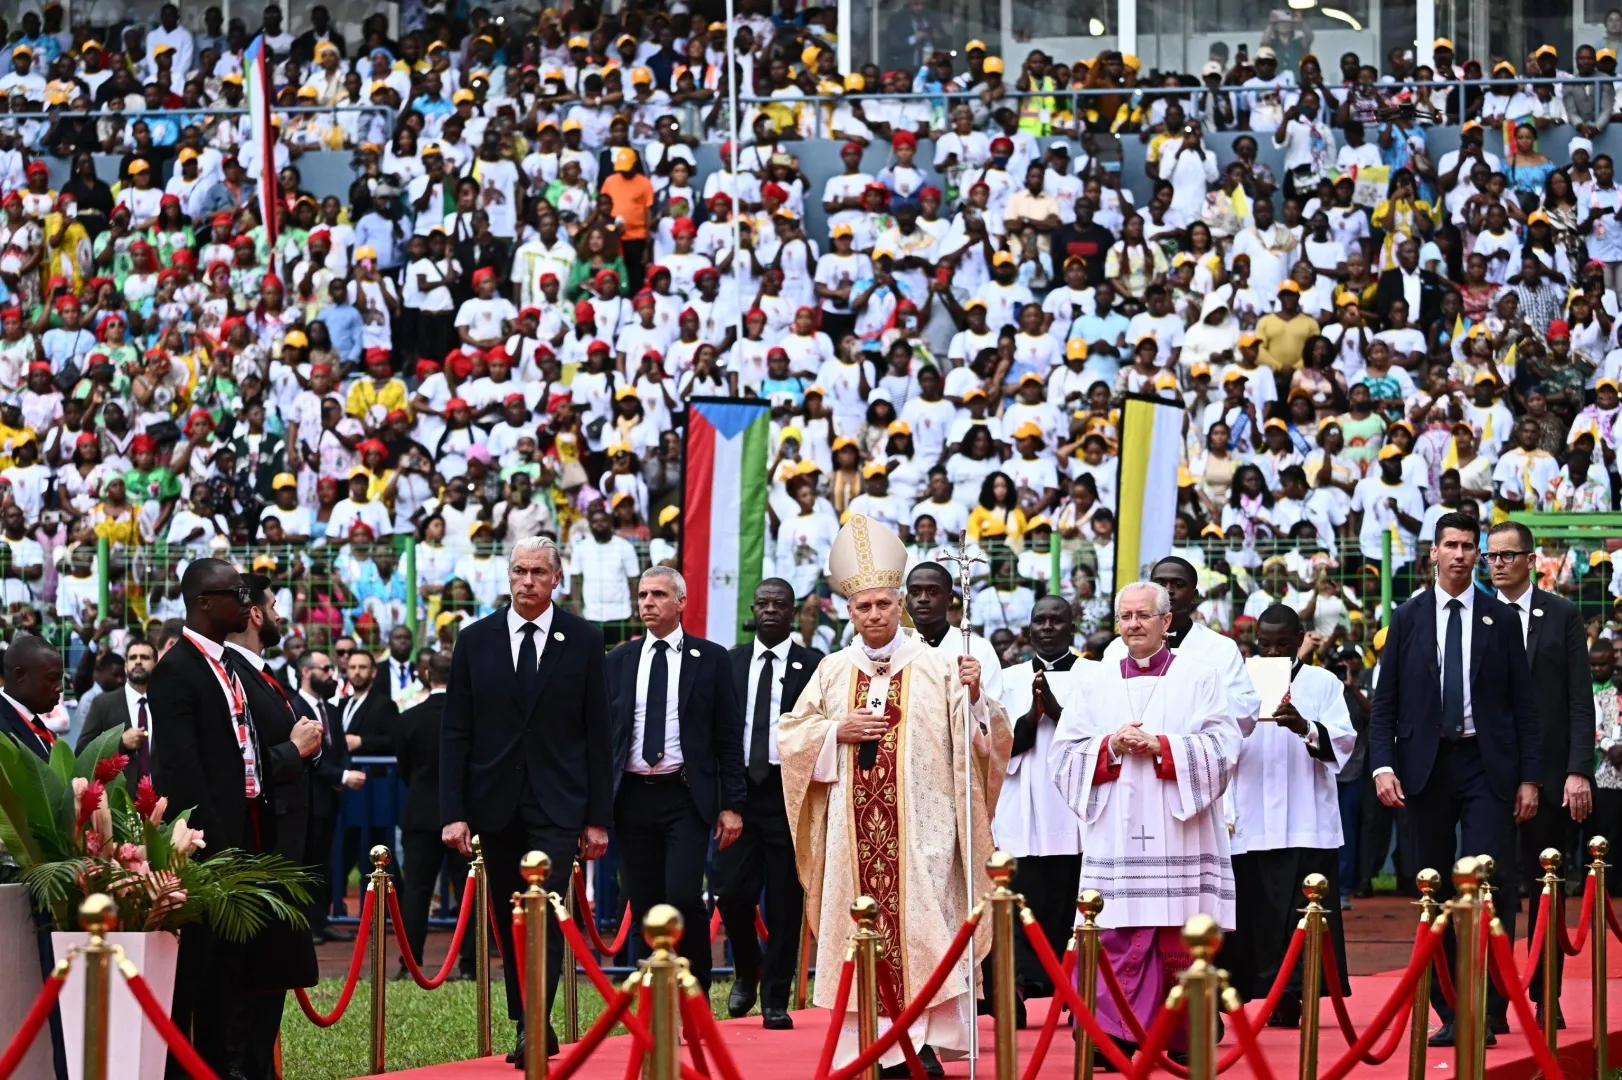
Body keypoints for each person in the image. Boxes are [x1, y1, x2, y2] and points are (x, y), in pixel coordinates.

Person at [779, 515, 1011, 1078]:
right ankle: (875, 1050)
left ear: (900, 602)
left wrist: (977, 697)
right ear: (849, 612)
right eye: (864, 608)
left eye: (883, 604)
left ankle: (923, 1045)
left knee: (924, 931)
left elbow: (986, 743)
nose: (874, 614)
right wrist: (836, 731)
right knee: (864, 930)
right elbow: (789, 735)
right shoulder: (833, 671)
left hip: (925, 835)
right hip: (850, 837)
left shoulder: (941, 667)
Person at [1049, 579, 1243, 1059]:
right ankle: (1107, 1035)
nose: (1133, 624)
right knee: (1111, 928)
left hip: (1179, 827)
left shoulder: (1199, 677)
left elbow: (1225, 746)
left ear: (1166, 622)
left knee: (1175, 932)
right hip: (1115, 827)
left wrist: (1164, 746)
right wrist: (1110, 746)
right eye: (1126, 616)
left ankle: (1178, 1035)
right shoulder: (1093, 680)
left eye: (1143, 615)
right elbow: (1063, 753)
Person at [1369, 511, 1541, 1045]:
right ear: (1434, 554)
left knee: (1489, 885)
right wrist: (1381, 764)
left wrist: (1530, 778)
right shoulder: (1408, 617)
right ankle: (1448, 1006)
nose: (1462, 555)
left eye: (1471, 546)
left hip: (1487, 765)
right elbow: (1385, 702)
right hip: (1425, 766)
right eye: (1452, 545)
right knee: (1433, 886)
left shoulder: (1500, 617)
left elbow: (1524, 706)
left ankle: (1488, 1007)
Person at [441, 535, 611, 1062]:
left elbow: (598, 732)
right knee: (508, 914)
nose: (527, 581)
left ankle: (537, 1020)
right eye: (519, 571)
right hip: (495, 803)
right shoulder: (475, 640)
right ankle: (524, 1018)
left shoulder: (583, 639)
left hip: (559, 804)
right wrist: (453, 812)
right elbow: (456, 731)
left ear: (556, 578)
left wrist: (598, 818)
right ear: (507, 576)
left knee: (546, 912)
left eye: (538, 572)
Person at [147, 559, 267, 1078]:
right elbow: (184, 776)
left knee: (230, 972)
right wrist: (219, 848)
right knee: (195, 974)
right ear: (202, 602)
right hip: (206, 848)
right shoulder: (176, 672)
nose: (247, 603)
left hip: (246, 834)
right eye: (237, 593)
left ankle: (226, 1066)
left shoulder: (232, 666)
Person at [608, 565, 742, 992]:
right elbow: (601, 736)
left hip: (685, 796)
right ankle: (654, 996)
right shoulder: (619, 660)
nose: (648, 602)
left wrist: (732, 805)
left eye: (659, 595)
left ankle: (694, 990)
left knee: (683, 895)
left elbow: (727, 737)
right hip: (630, 796)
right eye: (644, 595)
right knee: (644, 900)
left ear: (680, 602)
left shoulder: (712, 658)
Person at [1221, 604, 1356, 1026]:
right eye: (1265, 643)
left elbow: (1345, 740)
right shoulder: (1238, 682)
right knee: (1256, 915)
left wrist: (1305, 727)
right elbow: (1219, 737)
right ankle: (1261, 989)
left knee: (1305, 912)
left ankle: (1297, 992)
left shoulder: (1323, 682)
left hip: (1305, 818)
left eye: (1283, 642)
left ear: (1301, 639)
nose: (1274, 650)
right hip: (1251, 818)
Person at [1483, 521, 1594, 1024]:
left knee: (1545, 887)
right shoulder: (1476, 615)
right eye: (1492, 556)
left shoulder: (1562, 614)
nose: (1498, 563)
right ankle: (1492, 1004)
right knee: (1494, 888)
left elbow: (1578, 699)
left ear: (1532, 560)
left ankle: (1546, 997)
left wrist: (1577, 770)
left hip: (1550, 777)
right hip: (1487, 776)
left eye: (1509, 555)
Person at [222, 571, 323, 1080]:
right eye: (276, 604)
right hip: (259, 847)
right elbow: (244, 758)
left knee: (272, 977)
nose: (283, 614)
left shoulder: (263, 672)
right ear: (256, 614)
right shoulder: (233, 674)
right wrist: (295, 749)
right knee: (252, 981)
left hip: (284, 849)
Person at [716, 577, 822, 1029]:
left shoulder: (814, 664)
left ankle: (775, 996)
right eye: (764, 602)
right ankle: (747, 966)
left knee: (784, 900)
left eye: (781, 603)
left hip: (789, 792)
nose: (772, 610)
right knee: (731, 893)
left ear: (793, 611)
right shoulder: (729, 663)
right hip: (738, 791)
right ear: (753, 609)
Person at [992, 595, 1089, 1015]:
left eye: (1057, 620)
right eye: (1040, 621)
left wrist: (1058, 712)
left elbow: (1099, 740)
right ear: (1028, 629)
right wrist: (1031, 720)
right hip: (1022, 809)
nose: (1048, 627)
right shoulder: (1008, 678)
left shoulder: (1095, 675)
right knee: (1020, 901)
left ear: (1072, 627)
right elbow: (993, 745)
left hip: (1076, 810)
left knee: (1072, 900)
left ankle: (1078, 992)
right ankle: (1015, 987)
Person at [1100, 556, 1260, 729]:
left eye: (1178, 584)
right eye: (1160, 584)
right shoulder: (1117, 649)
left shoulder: (1221, 648)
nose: (1168, 591)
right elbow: (1101, 706)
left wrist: (1196, 689)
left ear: (1195, 596)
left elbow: (1247, 715)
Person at [395, 651, 475, 982]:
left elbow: (404, 768)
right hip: (464, 816)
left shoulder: (408, 718)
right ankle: (470, 965)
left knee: (415, 892)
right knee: (468, 891)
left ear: (427, 675)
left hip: (420, 815)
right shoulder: (473, 718)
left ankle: (409, 964)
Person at [298, 649, 360, 944]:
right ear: (306, 672)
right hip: (307, 797)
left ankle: (321, 920)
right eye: (324, 669)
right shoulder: (294, 708)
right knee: (306, 861)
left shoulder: (331, 710)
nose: (331, 675)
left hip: (331, 798)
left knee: (324, 862)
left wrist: (342, 774)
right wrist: (342, 777)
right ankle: (305, 925)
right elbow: (309, 756)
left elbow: (340, 751)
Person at [905, 561, 1005, 702]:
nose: (923, 599)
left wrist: (975, 693)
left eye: (933, 591)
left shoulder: (978, 648)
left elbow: (994, 711)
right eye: (915, 592)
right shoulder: (894, 648)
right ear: (906, 600)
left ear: (950, 599)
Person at [76, 641, 157, 784]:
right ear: (126, 666)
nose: (138, 661)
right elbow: (82, 751)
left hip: (162, 798)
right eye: (132, 658)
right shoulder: (103, 704)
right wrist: (120, 743)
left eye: (144, 657)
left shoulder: (168, 703)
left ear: (156, 665)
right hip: (119, 798)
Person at [0, 635, 63, 761]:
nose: (60, 688)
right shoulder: (3, 730)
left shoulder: (37, 724)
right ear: (20, 676)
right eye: (52, 679)